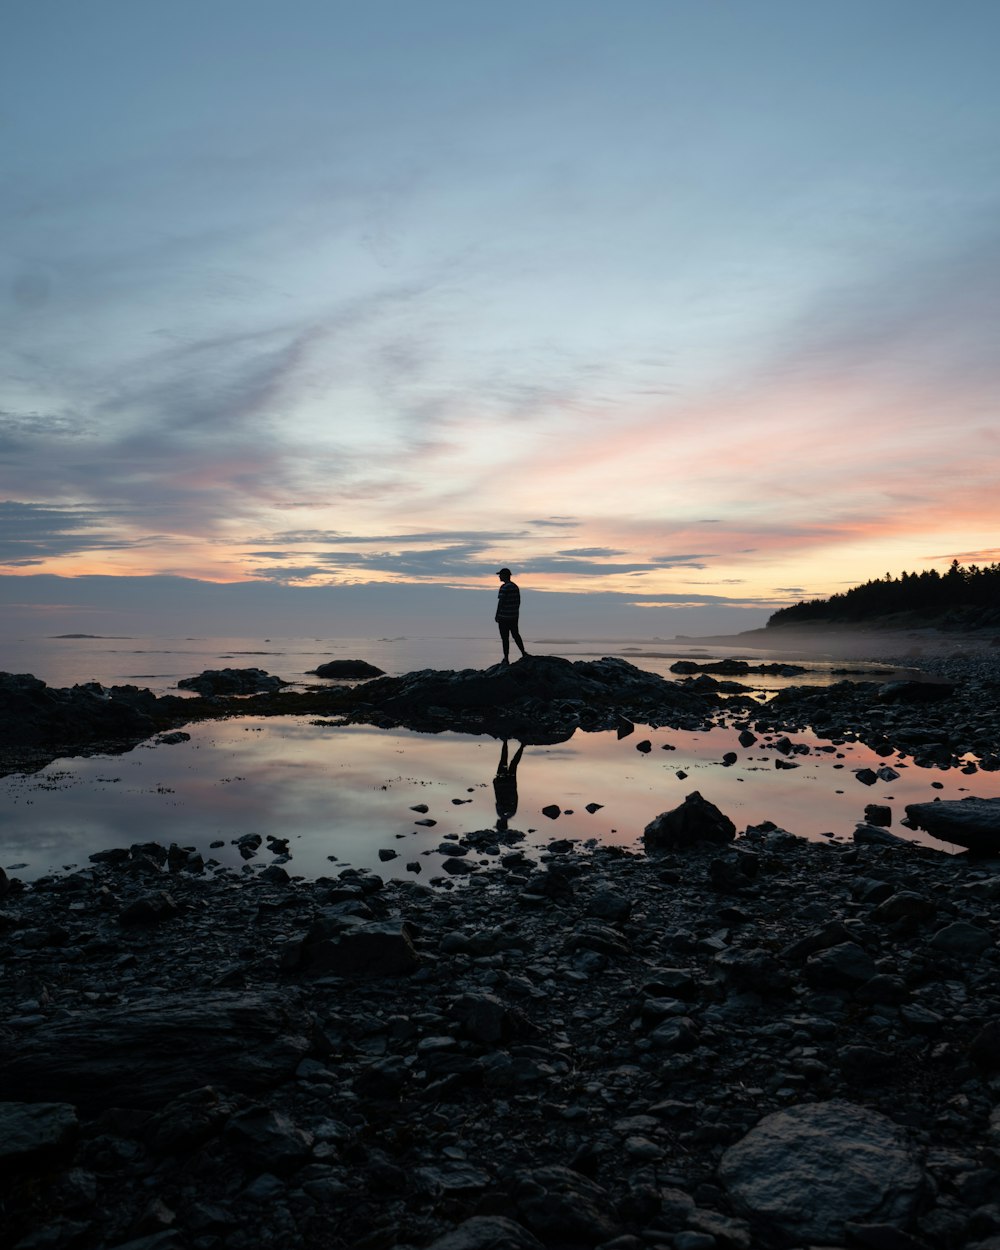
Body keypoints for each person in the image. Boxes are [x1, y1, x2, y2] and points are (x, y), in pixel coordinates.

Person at [495, 567, 527, 664]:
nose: (499, 577)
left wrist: (497, 614)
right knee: (516, 635)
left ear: (505, 575)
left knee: (505, 638)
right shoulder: (515, 587)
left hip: (504, 617)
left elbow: (501, 602)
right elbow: (518, 602)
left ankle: (506, 658)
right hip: (514, 616)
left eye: (500, 575)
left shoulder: (504, 587)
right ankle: (523, 653)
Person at [493, 738, 524, 831]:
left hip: (511, 784)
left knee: (513, 764)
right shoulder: (499, 813)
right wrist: (495, 784)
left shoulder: (512, 813)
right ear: (500, 824)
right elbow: (497, 797)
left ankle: (522, 746)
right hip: (501, 783)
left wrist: (514, 786)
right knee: (503, 760)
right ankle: (505, 741)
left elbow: (516, 798)